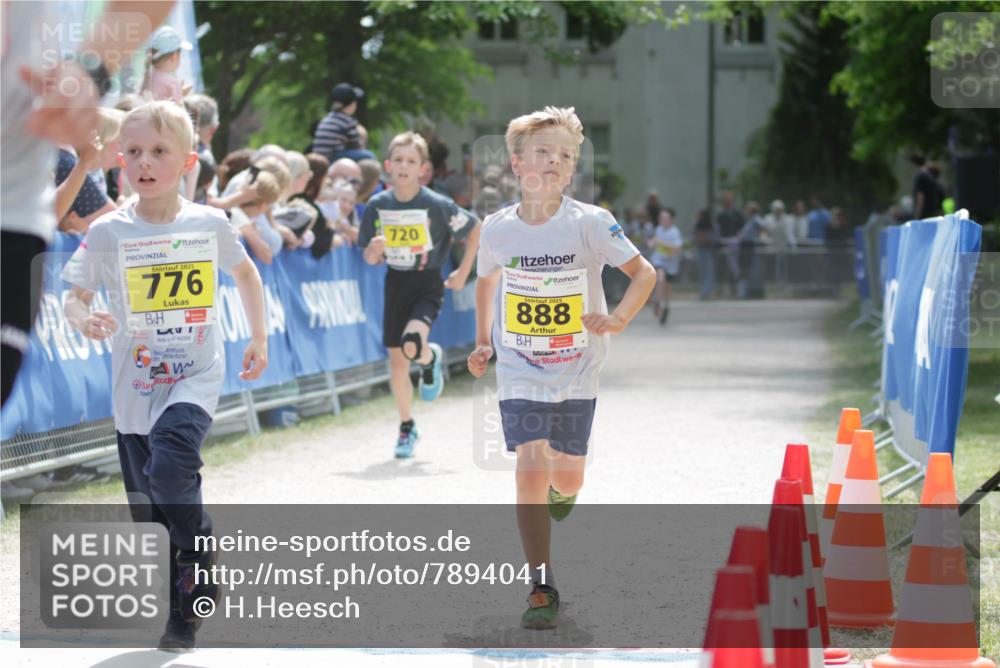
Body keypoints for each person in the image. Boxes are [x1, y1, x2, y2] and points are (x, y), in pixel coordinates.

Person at [61, 101, 268, 652]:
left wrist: (259, 336)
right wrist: (87, 319)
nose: (144, 162)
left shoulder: (209, 223)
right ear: (119, 161)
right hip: (135, 387)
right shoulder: (107, 231)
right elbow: (73, 299)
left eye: (158, 151)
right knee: (152, 522)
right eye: (132, 152)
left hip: (194, 376)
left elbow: (246, 275)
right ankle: (183, 605)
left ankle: (196, 573)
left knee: (173, 469)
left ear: (187, 162)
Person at [467, 107, 655, 630]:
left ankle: (565, 488)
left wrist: (617, 318)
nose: (553, 162)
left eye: (565, 156)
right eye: (543, 152)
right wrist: (483, 342)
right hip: (520, 367)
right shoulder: (497, 229)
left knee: (567, 474)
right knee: (530, 465)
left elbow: (644, 274)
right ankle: (541, 583)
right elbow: (485, 282)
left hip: (577, 367)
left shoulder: (590, 223)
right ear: (516, 162)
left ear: (573, 170)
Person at [359, 131, 480, 458]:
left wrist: (463, 270)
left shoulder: (436, 204)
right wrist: (374, 249)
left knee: (412, 342)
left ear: (422, 169)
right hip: (396, 284)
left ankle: (428, 357)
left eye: (410, 161)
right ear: (387, 166)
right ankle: (407, 425)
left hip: (428, 283)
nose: (403, 166)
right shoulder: (377, 206)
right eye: (397, 160)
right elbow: (369, 258)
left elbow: (474, 228)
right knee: (398, 363)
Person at [311, 82, 377, 163]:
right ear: (352, 104)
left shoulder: (327, 118)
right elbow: (356, 146)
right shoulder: (347, 121)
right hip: (332, 157)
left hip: (320, 157)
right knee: (369, 155)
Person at [647, 207, 682, 325]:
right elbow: (652, 242)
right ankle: (657, 302)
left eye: (665, 218)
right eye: (661, 218)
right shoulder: (658, 230)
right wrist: (651, 243)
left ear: (671, 220)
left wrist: (662, 244)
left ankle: (666, 307)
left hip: (671, 264)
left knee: (667, 288)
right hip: (659, 261)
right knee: (660, 279)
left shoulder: (675, 232)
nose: (662, 220)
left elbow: (677, 248)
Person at [142, 25, 193, 104]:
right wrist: (181, 94)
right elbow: (178, 112)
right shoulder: (172, 83)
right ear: (174, 56)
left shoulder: (147, 78)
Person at [716, 191, 744, 297]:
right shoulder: (721, 215)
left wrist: (738, 238)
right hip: (724, 243)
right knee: (722, 267)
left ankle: (734, 290)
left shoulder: (737, 214)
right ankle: (720, 289)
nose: (728, 202)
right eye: (726, 200)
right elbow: (718, 230)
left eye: (730, 200)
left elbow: (742, 228)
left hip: (734, 244)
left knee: (734, 269)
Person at [693, 208, 718, 300]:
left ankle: (708, 292)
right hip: (701, 250)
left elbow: (712, 237)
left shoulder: (711, 225)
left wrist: (704, 238)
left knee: (709, 272)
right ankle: (703, 292)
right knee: (702, 272)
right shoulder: (698, 225)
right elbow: (695, 237)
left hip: (708, 250)